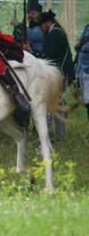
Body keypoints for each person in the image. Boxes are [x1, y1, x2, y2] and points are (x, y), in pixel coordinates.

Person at [25, 10, 76, 140]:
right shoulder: (56, 32)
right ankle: (56, 135)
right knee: (55, 103)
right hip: (60, 74)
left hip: (61, 75)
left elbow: (46, 57)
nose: (42, 29)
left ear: (48, 23)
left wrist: (30, 50)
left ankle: (52, 135)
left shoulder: (55, 34)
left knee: (53, 104)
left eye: (42, 26)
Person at [75, 24, 89, 120]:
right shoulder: (87, 26)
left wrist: (81, 45)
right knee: (86, 100)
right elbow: (78, 42)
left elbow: (82, 45)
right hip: (82, 68)